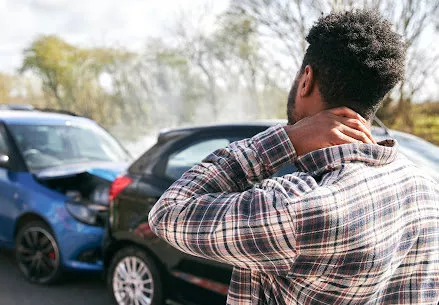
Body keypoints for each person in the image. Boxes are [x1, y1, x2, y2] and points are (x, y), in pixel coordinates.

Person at [148, 9, 439, 305]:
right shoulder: (426, 188)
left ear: (306, 80)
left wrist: (287, 138)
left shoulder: (297, 208)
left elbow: (169, 212)